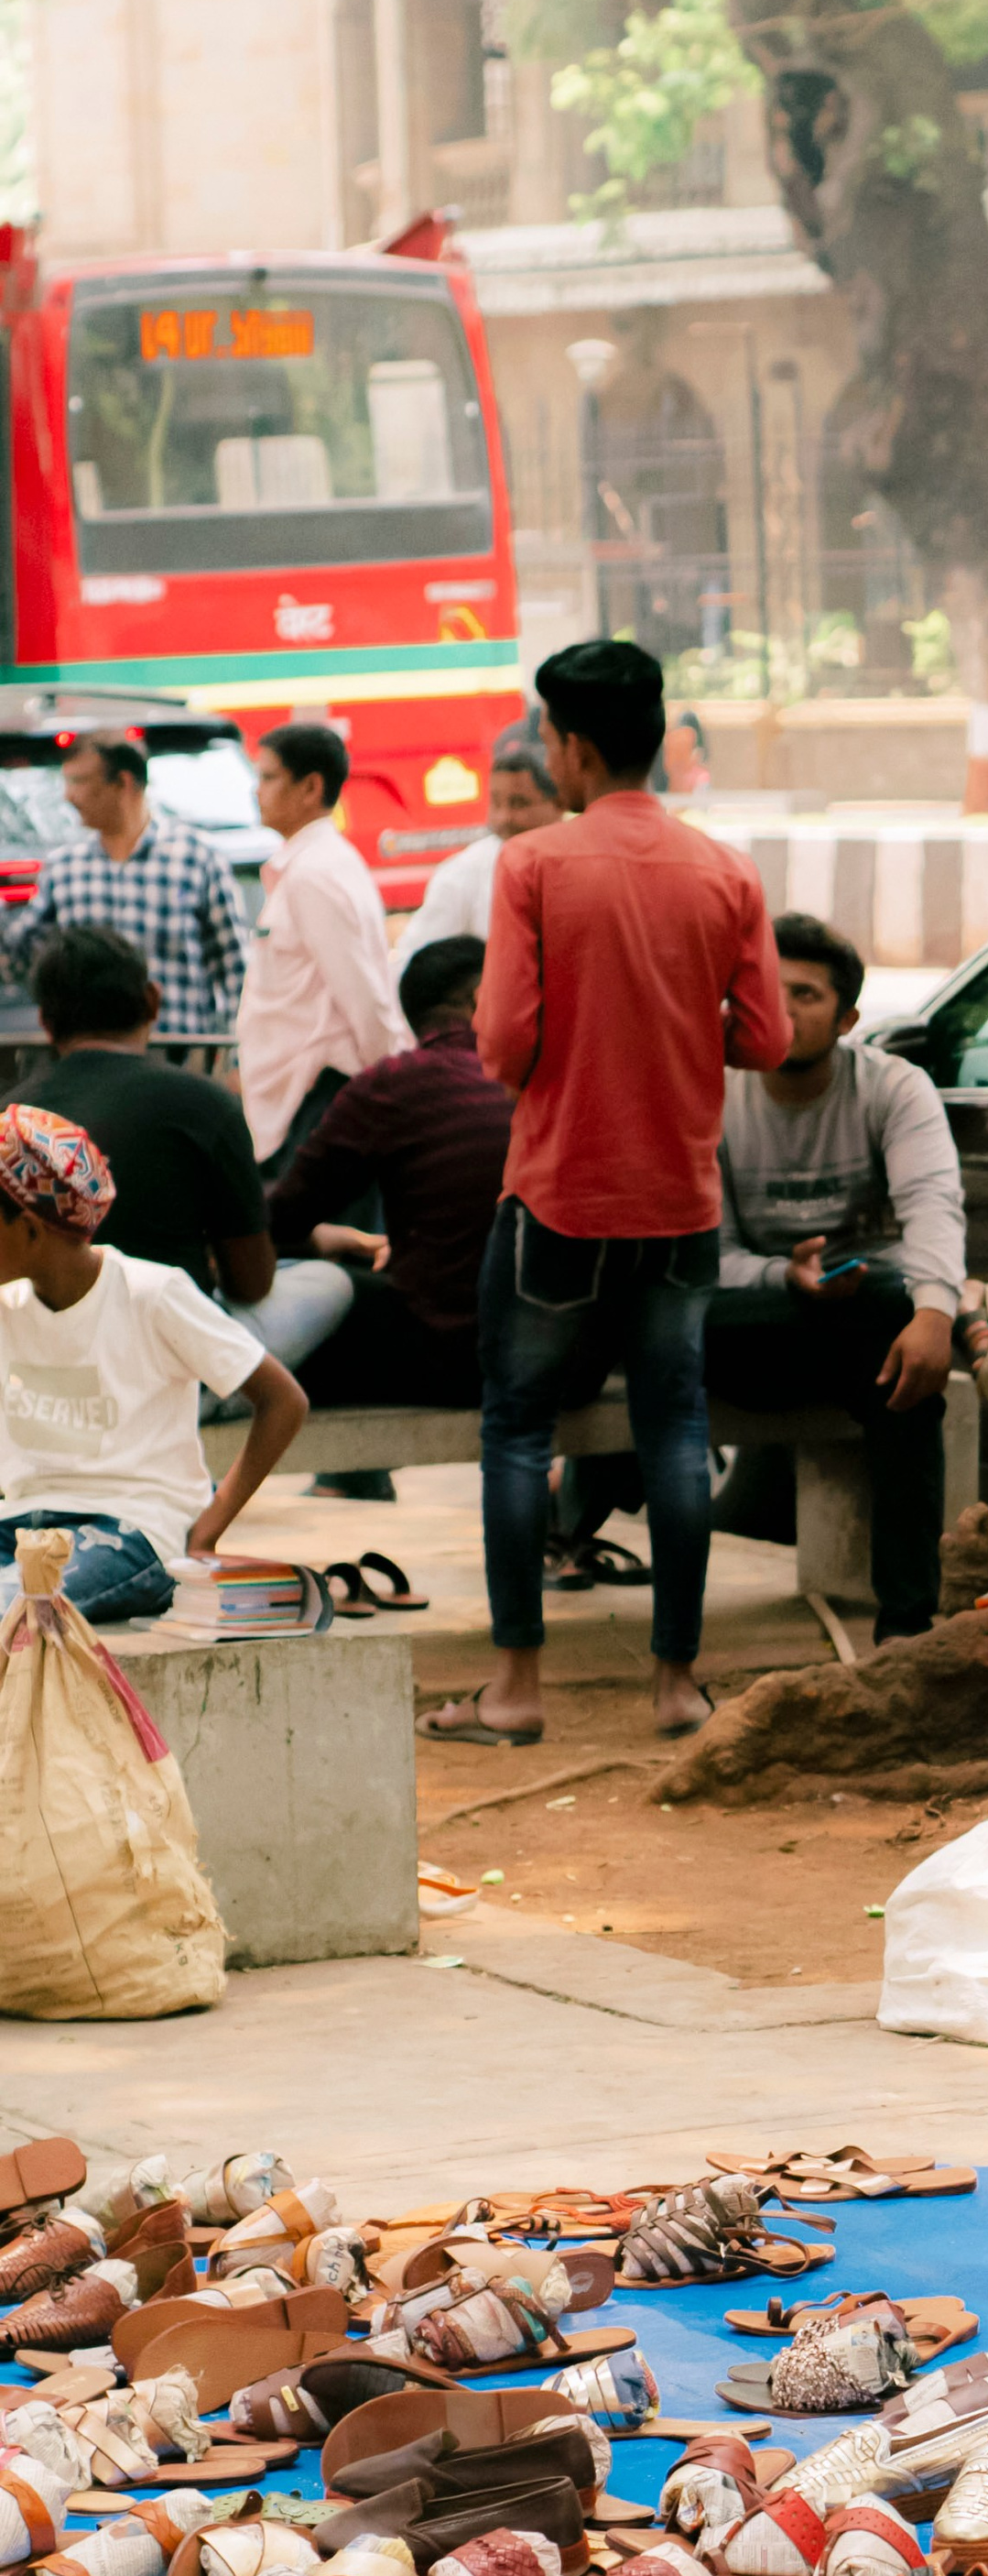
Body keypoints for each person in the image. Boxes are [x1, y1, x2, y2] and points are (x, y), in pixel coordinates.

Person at [428, 637, 786, 1748]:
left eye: (546, 735)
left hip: (555, 1199)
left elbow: (499, 1045)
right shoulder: (724, 871)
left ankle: (516, 1690)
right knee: (675, 1429)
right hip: (679, 1202)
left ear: (573, 745)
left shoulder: (533, 866)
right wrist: (677, 1028)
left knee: (518, 1432)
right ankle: (677, 1686)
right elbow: (767, 1037)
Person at [563, 911, 965, 1640]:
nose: (780, 1012)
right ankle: (598, 1547)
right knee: (656, 1304)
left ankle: (906, 1629)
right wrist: (786, 1274)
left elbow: (931, 1207)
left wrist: (936, 1313)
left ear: (847, 1017)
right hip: (745, 1325)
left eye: (806, 996)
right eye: (765, 994)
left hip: (855, 1331)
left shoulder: (894, 1089)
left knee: (901, 1343)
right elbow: (700, 1254)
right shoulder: (706, 1091)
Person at [0, 1102, 307, 1622]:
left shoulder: (153, 1295)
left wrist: (205, 1531)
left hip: (131, 1531)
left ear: (31, 1230)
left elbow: (282, 1399)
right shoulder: (10, 1307)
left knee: (10, 1606)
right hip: (21, 1526)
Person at [15, 922, 349, 1384]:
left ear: (46, 1022)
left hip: (40, 1365)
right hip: (170, 1374)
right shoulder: (204, 1103)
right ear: (152, 1000)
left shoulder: (13, 1119)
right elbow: (251, 1284)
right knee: (329, 1282)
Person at [266, 933, 511, 1409]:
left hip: (451, 1359)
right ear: (483, 996)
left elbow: (282, 1219)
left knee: (312, 1293)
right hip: (566, 1356)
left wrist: (320, 1243)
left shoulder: (393, 1084)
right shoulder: (542, 1080)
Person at [233, 724, 407, 1176]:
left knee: (321, 1243)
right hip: (300, 1097)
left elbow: (364, 995)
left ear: (311, 787)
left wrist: (388, 1087)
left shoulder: (316, 873)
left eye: (269, 777)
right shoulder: (309, 865)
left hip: (317, 1094)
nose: (257, 791)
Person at [0, 731, 247, 1042]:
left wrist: (236, 1057)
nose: (67, 796)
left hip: (175, 1059)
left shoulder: (195, 859)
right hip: (91, 1063)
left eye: (80, 781)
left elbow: (236, 972)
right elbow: (16, 962)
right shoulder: (65, 869)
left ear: (124, 783)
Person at [400, 739, 564, 952]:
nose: (504, 818)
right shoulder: (462, 874)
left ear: (559, 804)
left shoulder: (581, 867)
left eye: (519, 803)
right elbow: (419, 959)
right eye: (495, 803)